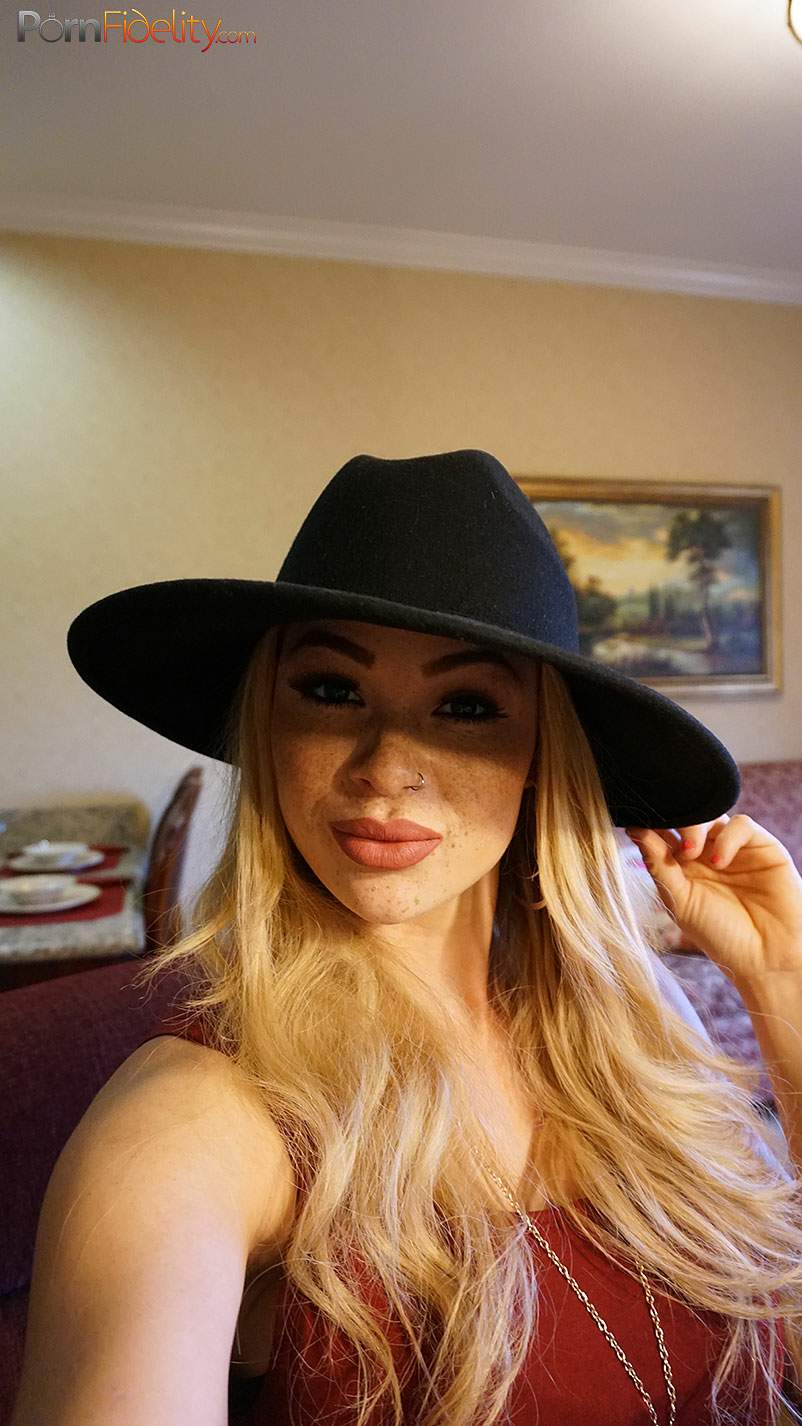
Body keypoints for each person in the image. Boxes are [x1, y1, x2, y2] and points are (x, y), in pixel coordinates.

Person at [13, 450, 802, 1426]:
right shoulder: (192, 1126)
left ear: (540, 755)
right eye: (330, 690)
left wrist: (780, 977)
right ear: (267, 724)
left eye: (465, 706)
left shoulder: (636, 1020)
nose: (387, 767)